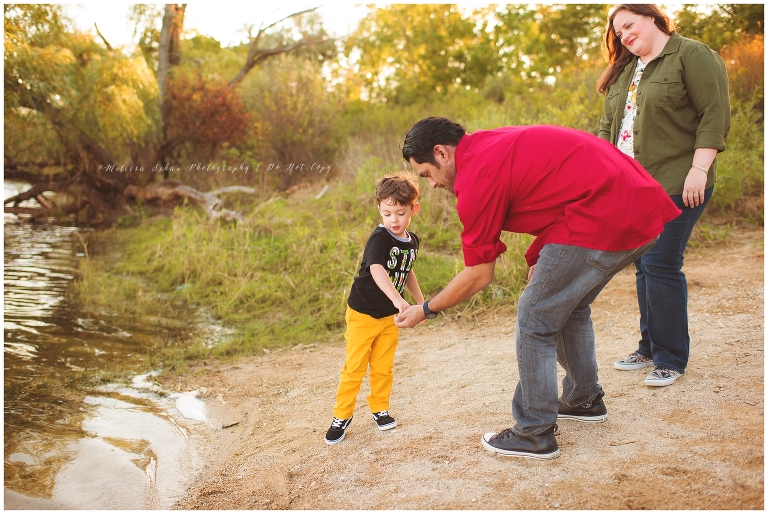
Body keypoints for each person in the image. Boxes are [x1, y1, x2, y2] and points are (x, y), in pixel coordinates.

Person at [395, 117, 681, 459]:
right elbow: (554, 189)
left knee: (534, 317)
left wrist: (425, 309)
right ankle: (582, 399)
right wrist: (539, 255)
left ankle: (533, 431)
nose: (431, 185)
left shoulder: (476, 177)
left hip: (605, 212)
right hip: (637, 206)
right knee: (567, 306)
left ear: (441, 153)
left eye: (426, 174)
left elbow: (479, 274)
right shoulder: (490, 146)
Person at [597, 5, 730, 386]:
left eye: (629, 25)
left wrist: (698, 170)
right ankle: (650, 345)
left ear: (653, 18)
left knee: (660, 262)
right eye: (618, 32)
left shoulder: (692, 55)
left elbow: (714, 115)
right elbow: (610, 126)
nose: (623, 35)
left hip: (679, 180)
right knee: (643, 263)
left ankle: (671, 358)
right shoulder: (625, 69)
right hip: (631, 186)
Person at [325, 172, 426, 445]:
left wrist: (420, 303)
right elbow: (378, 269)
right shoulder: (379, 238)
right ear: (379, 209)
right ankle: (341, 415)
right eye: (387, 213)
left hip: (389, 319)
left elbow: (407, 271)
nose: (394, 220)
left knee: (383, 367)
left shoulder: (411, 240)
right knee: (354, 367)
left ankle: (380, 408)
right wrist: (398, 300)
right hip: (363, 313)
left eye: (400, 213)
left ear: (413, 209)